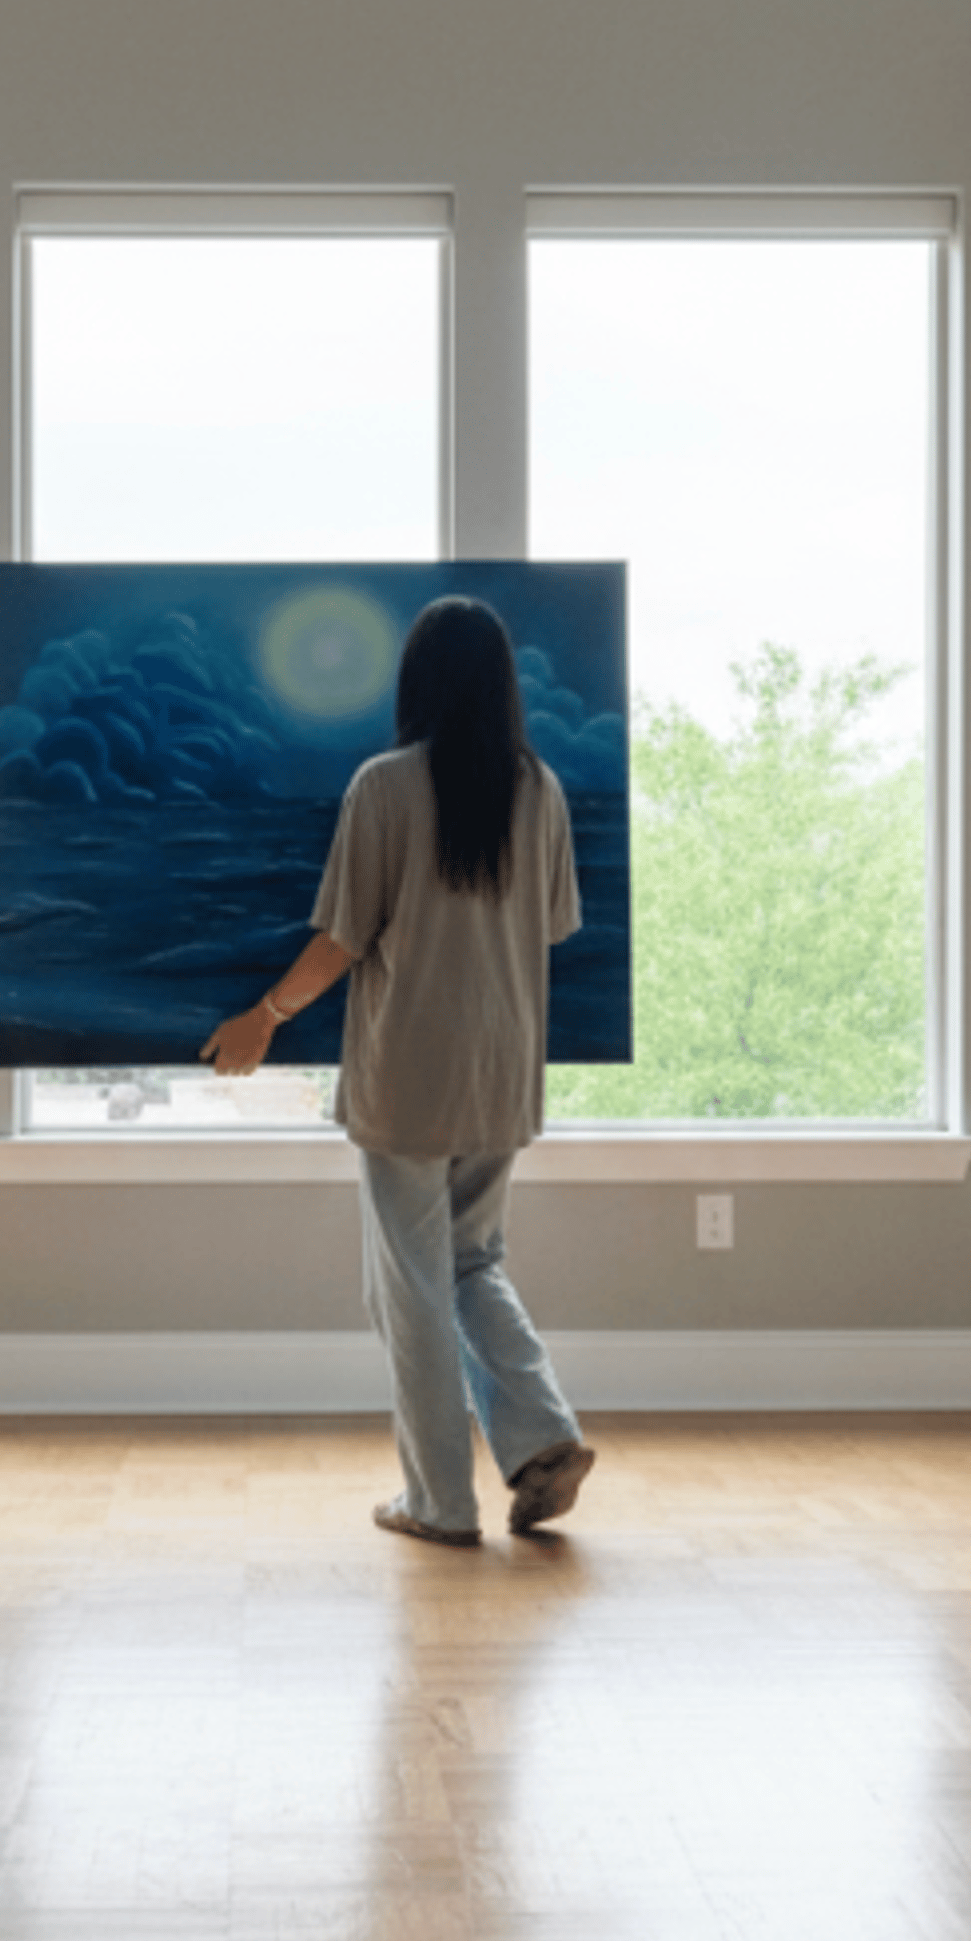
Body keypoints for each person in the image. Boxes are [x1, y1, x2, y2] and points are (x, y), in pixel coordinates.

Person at [201, 596, 595, 1547]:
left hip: (410, 1075)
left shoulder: (383, 785)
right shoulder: (538, 789)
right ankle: (543, 1434)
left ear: (416, 679)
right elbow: (552, 929)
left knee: (411, 1287)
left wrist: (264, 1016)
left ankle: (439, 1502)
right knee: (471, 1262)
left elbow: (341, 939)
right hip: (502, 1077)